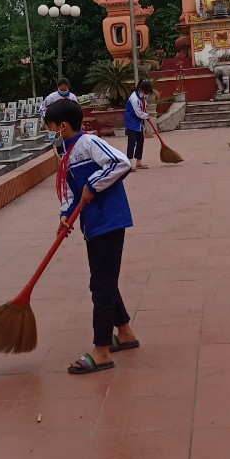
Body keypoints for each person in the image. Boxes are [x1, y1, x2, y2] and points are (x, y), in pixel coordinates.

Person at [44, 99, 140, 375]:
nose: (50, 133)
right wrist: (66, 213)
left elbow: (120, 163)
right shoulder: (67, 153)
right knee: (104, 280)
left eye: (51, 128)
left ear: (63, 126)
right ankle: (125, 333)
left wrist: (93, 185)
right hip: (93, 224)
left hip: (109, 222)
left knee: (101, 285)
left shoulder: (88, 143)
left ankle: (101, 351)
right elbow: (70, 191)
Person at [124, 78, 153, 168]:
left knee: (140, 141)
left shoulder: (143, 96)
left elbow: (143, 108)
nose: (147, 94)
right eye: (146, 92)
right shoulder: (134, 98)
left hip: (139, 122)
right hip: (131, 122)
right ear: (141, 90)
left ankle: (138, 162)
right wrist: (146, 116)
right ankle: (129, 163)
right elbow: (138, 113)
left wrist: (145, 115)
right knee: (132, 142)